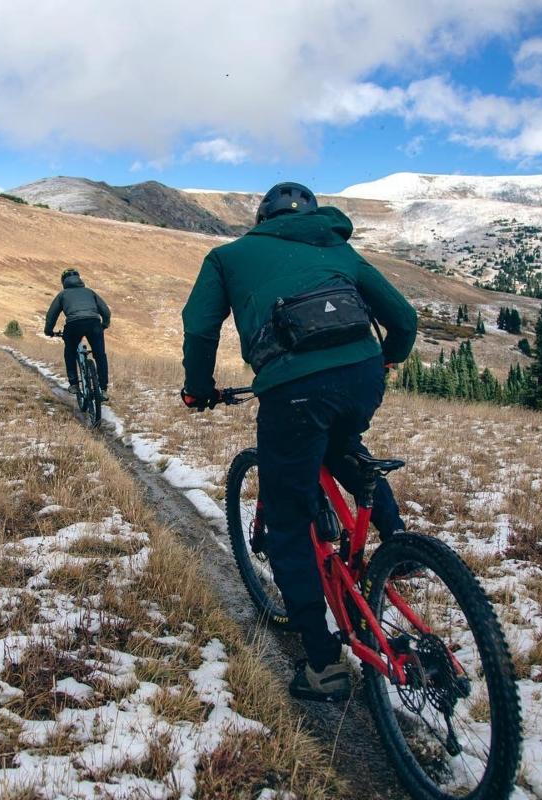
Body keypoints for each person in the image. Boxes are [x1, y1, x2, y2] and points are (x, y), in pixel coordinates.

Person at [180, 182, 418, 702]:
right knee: (342, 439)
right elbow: (404, 319)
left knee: (286, 521)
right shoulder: (337, 247)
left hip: (291, 391)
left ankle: (322, 664)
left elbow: (199, 328)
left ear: (261, 216)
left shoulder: (228, 256)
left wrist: (197, 390)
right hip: (362, 376)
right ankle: (398, 542)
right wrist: (388, 359)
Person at [44, 268, 112, 400]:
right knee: (100, 355)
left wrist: (49, 331)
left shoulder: (62, 295)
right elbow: (106, 311)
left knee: (69, 351)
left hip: (74, 325)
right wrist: (104, 324)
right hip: (94, 323)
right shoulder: (90, 292)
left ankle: (74, 384)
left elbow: (51, 315)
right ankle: (103, 389)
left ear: (64, 281)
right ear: (79, 279)